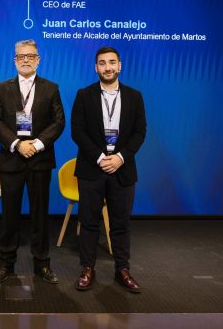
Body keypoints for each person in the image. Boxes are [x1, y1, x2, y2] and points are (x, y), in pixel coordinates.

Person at [0, 39, 65, 284]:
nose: (25, 60)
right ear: (15, 60)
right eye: (21, 56)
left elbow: (59, 122)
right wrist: (17, 144)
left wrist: (37, 144)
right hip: (12, 159)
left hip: (40, 160)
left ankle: (42, 264)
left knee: (40, 215)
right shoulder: (2, 88)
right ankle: (6, 263)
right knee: (9, 215)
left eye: (30, 56)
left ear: (38, 60)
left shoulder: (51, 88)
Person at [71, 46, 146, 293]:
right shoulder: (84, 95)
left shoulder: (135, 96)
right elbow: (77, 131)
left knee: (121, 224)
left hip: (123, 170)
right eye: (102, 63)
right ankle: (87, 268)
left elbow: (140, 132)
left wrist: (120, 158)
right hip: (92, 169)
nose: (107, 67)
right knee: (89, 222)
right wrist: (101, 157)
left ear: (119, 66)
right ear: (96, 68)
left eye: (112, 62)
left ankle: (122, 269)